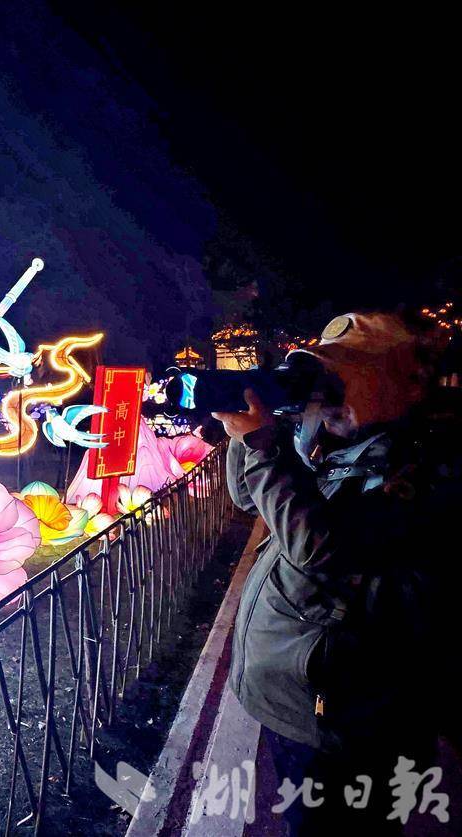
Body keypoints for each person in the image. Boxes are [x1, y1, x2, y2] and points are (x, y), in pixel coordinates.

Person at [215, 312, 460, 834]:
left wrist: (265, 450)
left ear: (389, 382)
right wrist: (250, 437)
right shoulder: (342, 444)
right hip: (300, 705)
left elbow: (321, 550)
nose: (324, 395)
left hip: (349, 720)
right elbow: (248, 499)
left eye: (340, 378)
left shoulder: (422, 465)